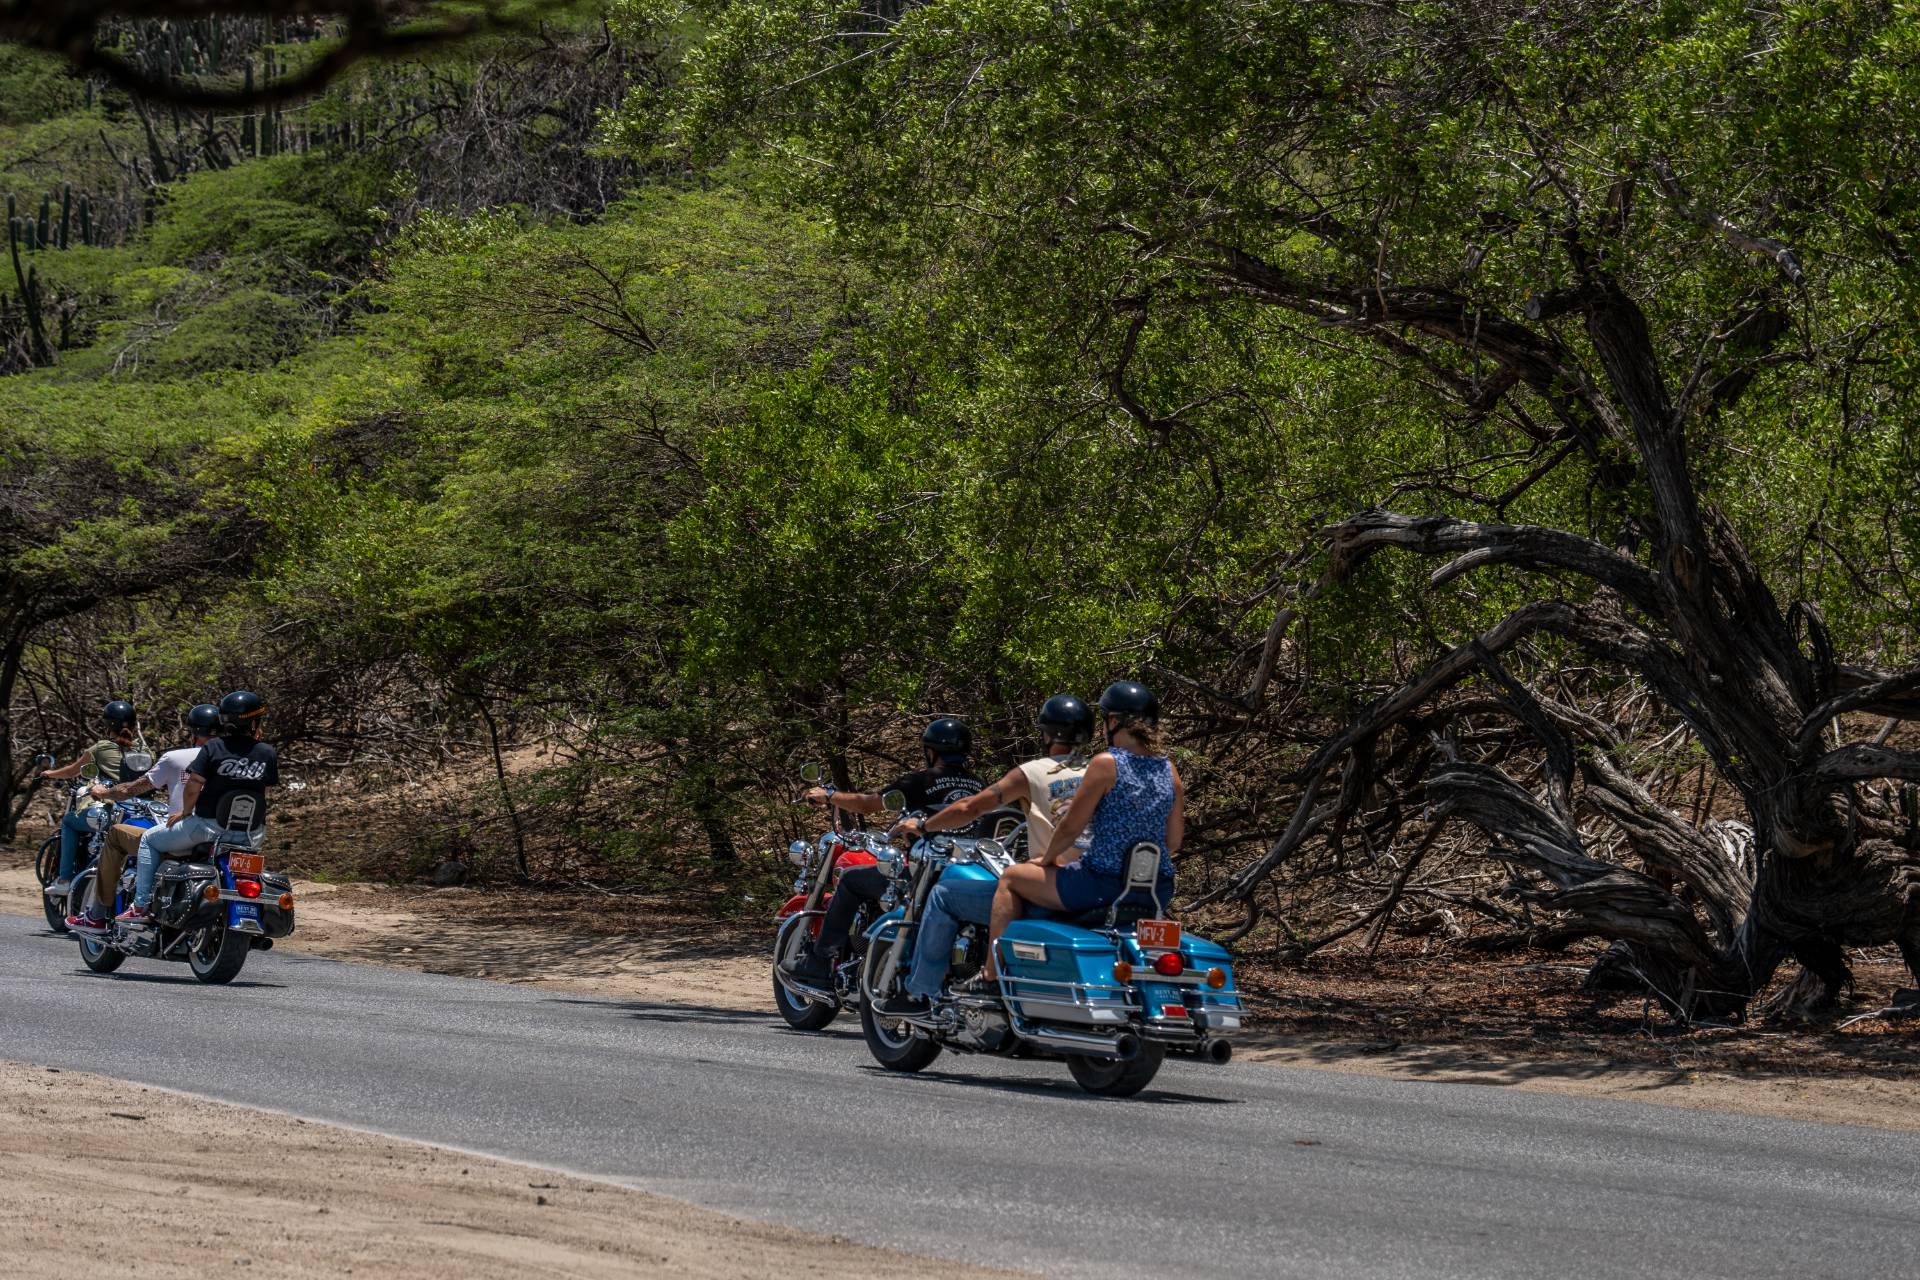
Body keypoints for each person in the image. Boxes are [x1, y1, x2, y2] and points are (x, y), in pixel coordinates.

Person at [869, 694, 1096, 1017]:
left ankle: (920, 992)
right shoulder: (1100, 773)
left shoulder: (1031, 772)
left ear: (1046, 734)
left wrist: (925, 824)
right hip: (1093, 882)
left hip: (1051, 885)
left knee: (945, 895)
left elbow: (969, 807)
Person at [984, 681, 1182, 978]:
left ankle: (990, 975)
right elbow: (1174, 841)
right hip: (1158, 889)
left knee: (1012, 877)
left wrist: (1048, 859)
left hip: (1100, 883)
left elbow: (1069, 828)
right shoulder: (1169, 769)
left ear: (1114, 722)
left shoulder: (1106, 763)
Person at [780, 717, 982, 985]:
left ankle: (819, 962)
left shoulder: (921, 781)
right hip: (970, 875)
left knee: (851, 880)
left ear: (930, 751)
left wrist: (829, 795)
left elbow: (867, 804)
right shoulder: (981, 786)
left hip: (925, 875)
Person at [115, 690, 277, 928]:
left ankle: (140, 905)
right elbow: (264, 791)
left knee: (149, 840)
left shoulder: (215, 748)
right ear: (254, 723)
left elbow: (193, 786)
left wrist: (186, 812)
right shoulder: (267, 752)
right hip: (251, 834)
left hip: (207, 827)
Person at [65, 704, 219, 933]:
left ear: (193, 731)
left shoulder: (176, 757)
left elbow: (132, 789)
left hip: (186, 835)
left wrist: (102, 792)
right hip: (223, 836)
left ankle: (101, 915)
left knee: (118, 834)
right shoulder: (233, 759)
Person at [38, 700, 146, 901]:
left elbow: (72, 770)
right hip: (139, 811)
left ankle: (64, 880)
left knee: (69, 821)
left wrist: (50, 773)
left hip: (112, 810)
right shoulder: (145, 750)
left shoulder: (102, 747)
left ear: (108, 725)